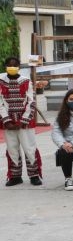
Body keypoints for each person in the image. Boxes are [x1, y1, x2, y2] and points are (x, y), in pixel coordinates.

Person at [0, 57, 41, 186]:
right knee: (12, 149)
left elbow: (31, 102)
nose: (12, 67)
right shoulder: (1, 82)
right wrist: (7, 121)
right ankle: (15, 176)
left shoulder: (26, 81)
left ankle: (34, 175)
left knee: (29, 148)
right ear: (5, 66)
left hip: (25, 123)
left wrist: (23, 121)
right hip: (8, 123)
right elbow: (0, 103)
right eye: (9, 65)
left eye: (14, 65)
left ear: (19, 66)